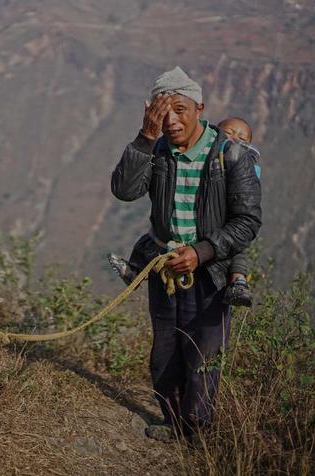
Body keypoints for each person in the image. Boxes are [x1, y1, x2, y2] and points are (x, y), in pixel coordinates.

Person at [110, 66, 261, 442]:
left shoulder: (230, 155)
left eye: (180, 110)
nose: (172, 120)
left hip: (208, 272)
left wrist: (202, 251)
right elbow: (124, 190)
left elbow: (247, 222)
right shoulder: (157, 150)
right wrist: (145, 136)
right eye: (163, 113)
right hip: (165, 271)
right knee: (165, 350)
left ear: (200, 108)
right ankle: (175, 424)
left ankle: (199, 431)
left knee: (203, 353)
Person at [108, 116, 259, 307]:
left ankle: (238, 282)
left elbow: (247, 215)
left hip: (224, 231)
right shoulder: (205, 159)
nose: (234, 139)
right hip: (175, 249)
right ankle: (135, 271)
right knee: (151, 238)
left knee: (237, 252)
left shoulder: (244, 164)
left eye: (242, 138)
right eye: (228, 133)